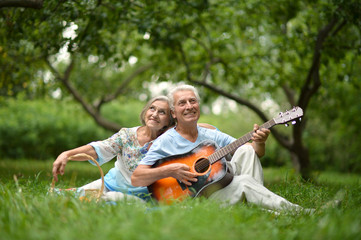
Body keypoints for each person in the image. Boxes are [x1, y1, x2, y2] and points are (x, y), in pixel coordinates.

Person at [131, 84, 306, 212]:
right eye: (182, 103)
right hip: (194, 201)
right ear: (174, 113)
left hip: (219, 188)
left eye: (193, 101)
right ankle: (300, 212)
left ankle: (255, 207)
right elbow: (137, 178)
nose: (189, 106)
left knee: (245, 150)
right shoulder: (166, 141)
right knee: (243, 182)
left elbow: (255, 152)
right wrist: (171, 170)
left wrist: (259, 141)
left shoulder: (210, 134)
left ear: (198, 106)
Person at [52, 95, 215, 202]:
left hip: (144, 196)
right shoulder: (126, 135)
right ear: (145, 112)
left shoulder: (171, 137)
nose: (155, 114)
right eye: (152, 109)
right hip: (110, 183)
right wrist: (67, 154)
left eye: (162, 112)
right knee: (67, 197)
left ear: (169, 119)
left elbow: (205, 129)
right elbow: (97, 149)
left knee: (108, 200)